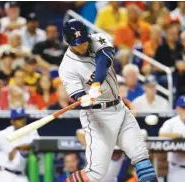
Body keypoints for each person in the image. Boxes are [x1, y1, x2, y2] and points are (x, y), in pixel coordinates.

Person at [59, 19, 157, 182]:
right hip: (97, 117)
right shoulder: (67, 67)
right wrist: (85, 98)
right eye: (78, 43)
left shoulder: (98, 39)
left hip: (119, 109)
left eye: (84, 40)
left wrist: (96, 83)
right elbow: (78, 96)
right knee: (95, 174)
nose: (82, 45)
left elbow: (104, 60)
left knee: (141, 157)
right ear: (69, 42)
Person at [0, 107, 39, 182]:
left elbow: (36, 143)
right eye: (18, 119)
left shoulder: (31, 131)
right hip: (3, 175)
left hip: (21, 176)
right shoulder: (4, 134)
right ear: (12, 121)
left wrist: (17, 148)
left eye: (22, 118)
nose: (21, 122)